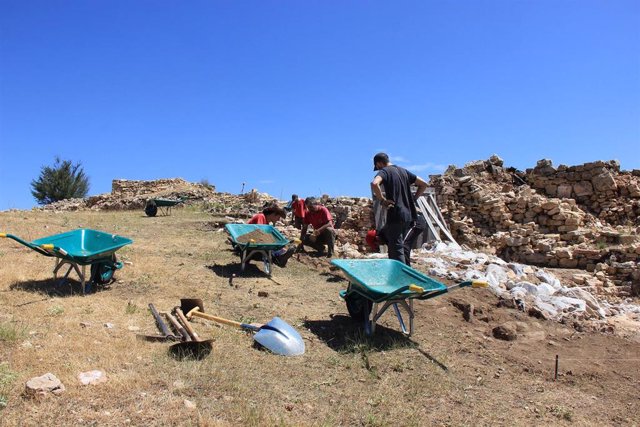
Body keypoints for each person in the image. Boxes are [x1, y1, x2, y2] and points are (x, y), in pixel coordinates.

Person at [371, 152, 428, 265]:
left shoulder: (385, 171)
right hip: (409, 216)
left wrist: (382, 200)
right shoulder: (403, 171)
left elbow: (374, 184)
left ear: (379, 164)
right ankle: (400, 273)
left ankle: (402, 278)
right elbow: (424, 184)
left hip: (396, 214)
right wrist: (414, 198)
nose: (377, 169)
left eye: (377, 167)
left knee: (397, 250)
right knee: (398, 246)